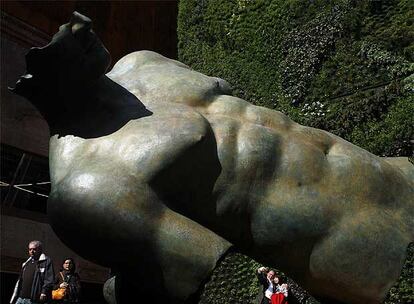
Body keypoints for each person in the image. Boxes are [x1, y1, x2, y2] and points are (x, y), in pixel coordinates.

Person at [12, 11, 414, 304]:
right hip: (381, 256)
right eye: (48, 45)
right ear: (39, 84)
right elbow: (228, 284)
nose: (78, 23)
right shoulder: (86, 188)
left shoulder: (141, 63)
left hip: (395, 172)